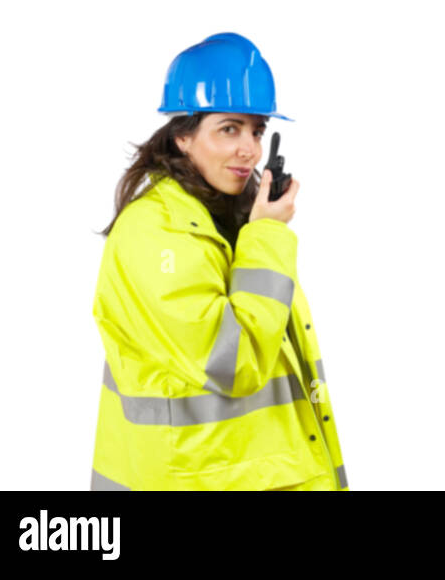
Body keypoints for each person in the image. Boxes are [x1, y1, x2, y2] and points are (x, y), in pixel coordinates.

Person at [90, 32, 348, 491]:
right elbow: (234, 363)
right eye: (229, 129)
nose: (249, 150)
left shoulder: (230, 221)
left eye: (257, 130)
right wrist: (268, 235)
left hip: (252, 472)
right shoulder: (158, 231)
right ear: (184, 135)